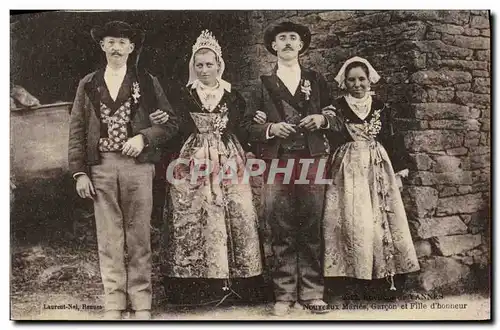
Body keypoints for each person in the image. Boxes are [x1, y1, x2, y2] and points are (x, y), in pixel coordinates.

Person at [68, 20, 178, 320]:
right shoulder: (88, 83)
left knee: (139, 235)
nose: (116, 47)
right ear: (102, 46)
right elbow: (77, 128)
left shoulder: (146, 80)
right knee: (108, 237)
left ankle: (141, 301)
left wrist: (144, 137)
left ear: (131, 48)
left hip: (137, 168)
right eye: (110, 42)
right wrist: (79, 172)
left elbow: (170, 122)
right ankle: (114, 302)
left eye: (122, 42)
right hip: (101, 167)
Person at [150, 30, 264, 305]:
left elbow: (242, 126)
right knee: (194, 215)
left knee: (236, 212)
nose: (204, 70)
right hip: (193, 160)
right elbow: (174, 127)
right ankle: (198, 288)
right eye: (199, 65)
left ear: (219, 65)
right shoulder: (183, 94)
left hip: (228, 158)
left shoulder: (232, 95)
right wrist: (161, 119)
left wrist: (258, 118)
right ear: (193, 66)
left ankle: (238, 284)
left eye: (209, 64)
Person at [243, 21, 342, 316]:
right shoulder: (260, 85)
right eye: (281, 38)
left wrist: (321, 121)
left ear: (301, 45)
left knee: (312, 224)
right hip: (277, 161)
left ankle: (312, 292)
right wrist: (271, 128)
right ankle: (284, 294)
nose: (287, 42)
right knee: (280, 225)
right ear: (273, 46)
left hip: (312, 159)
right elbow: (246, 126)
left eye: (293, 38)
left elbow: (335, 116)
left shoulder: (317, 80)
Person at [322, 56, 420, 300]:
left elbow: (391, 136)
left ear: (369, 80)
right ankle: (350, 282)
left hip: (377, 165)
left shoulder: (380, 106)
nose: (357, 84)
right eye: (351, 80)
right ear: (344, 82)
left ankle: (384, 281)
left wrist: (399, 168)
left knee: (381, 220)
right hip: (347, 167)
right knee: (352, 221)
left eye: (361, 79)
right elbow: (330, 139)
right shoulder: (336, 106)